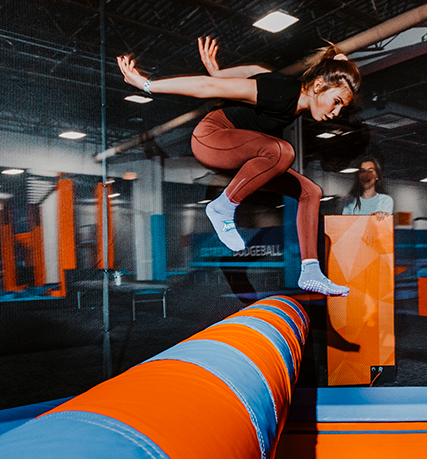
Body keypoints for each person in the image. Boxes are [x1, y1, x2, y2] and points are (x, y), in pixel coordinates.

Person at [117, 37, 357, 296]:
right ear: (319, 85)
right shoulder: (281, 92)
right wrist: (147, 84)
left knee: (311, 192)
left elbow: (254, 71)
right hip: (211, 138)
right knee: (282, 151)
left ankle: (310, 272)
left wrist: (220, 72)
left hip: (240, 153)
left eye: (342, 107)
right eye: (336, 102)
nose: (336, 113)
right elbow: (206, 86)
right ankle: (222, 208)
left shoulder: (287, 92)